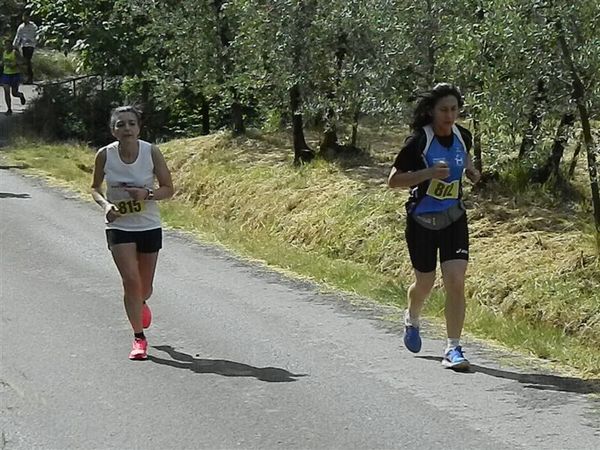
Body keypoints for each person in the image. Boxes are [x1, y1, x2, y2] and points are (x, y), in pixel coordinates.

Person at [388, 83, 481, 370]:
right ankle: (412, 317)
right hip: (422, 221)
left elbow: (463, 156)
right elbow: (393, 181)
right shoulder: (419, 141)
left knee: (455, 281)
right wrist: (428, 173)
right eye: (444, 109)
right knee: (425, 284)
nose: (449, 115)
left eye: (454, 109)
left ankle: (453, 348)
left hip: (454, 218)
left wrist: (470, 170)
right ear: (431, 111)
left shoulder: (462, 136)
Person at [91, 106, 174, 360]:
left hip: (148, 225)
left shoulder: (151, 152)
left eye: (131, 124)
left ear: (138, 127)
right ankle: (139, 338)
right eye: (120, 124)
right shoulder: (105, 155)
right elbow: (94, 188)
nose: (126, 129)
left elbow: (169, 188)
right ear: (112, 129)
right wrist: (106, 206)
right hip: (119, 226)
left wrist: (147, 194)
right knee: (130, 281)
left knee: (144, 287)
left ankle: (142, 302)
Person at [1, 37, 26, 116]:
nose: (7, 47)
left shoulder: (15, 52)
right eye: (6, 45)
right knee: (6, 91)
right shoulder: (4, 52)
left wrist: (15, 64)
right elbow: (3, 61)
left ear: (11, 46)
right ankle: (9, 109)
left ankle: (21, 95)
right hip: (6, 74)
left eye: (9, 45)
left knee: (14, 93)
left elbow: (22, 61)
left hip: (15, 74)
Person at [13, 12, 37, 84]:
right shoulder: (21, 27)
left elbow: (37, 35)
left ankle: (30, 77)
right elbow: (18, 36)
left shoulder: (33, 26)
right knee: (25, 62)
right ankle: (28, 77)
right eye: (24, 17)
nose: (25, 19)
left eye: (26, 17)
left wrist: (33, 41)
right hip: (24, 45)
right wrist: (14, 45)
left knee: (27, 60)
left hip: (31, 45)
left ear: (29, 18)